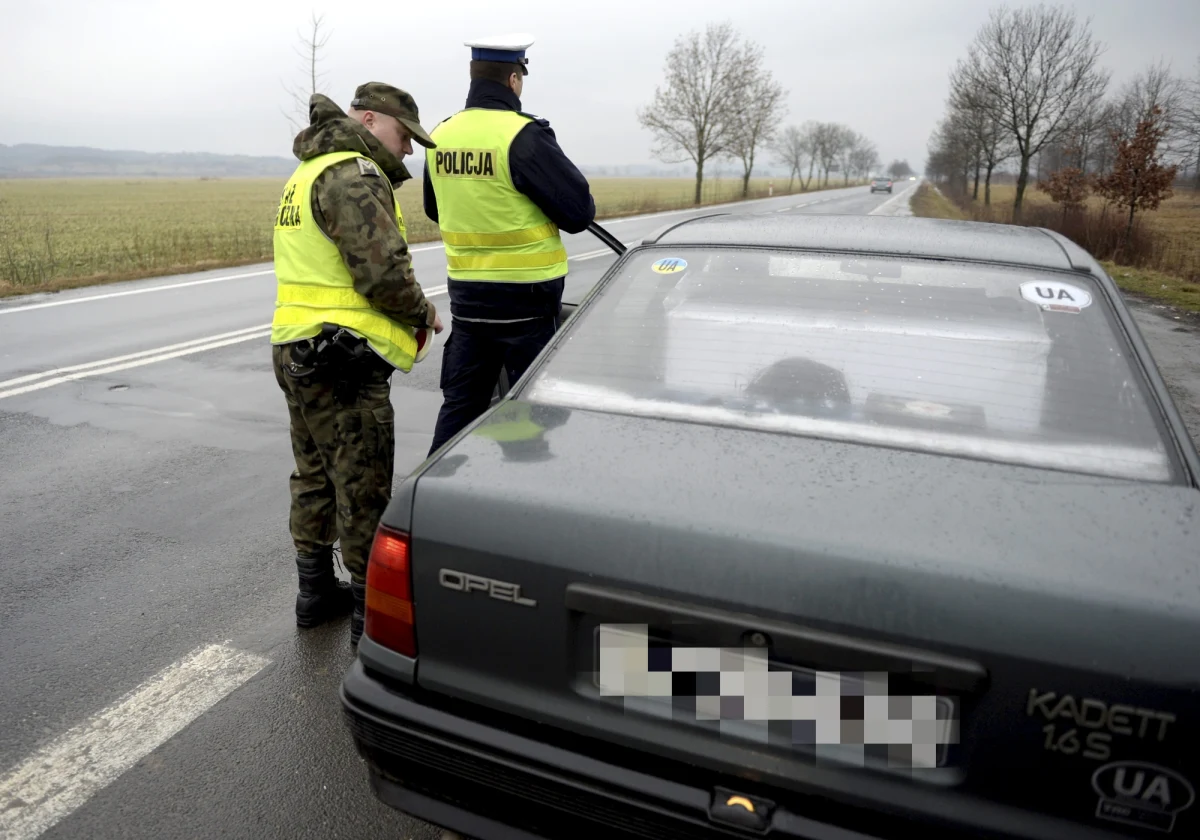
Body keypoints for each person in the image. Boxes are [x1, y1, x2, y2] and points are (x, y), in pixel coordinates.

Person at [271, 82, 444, 647]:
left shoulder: (307, 172)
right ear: (370, 120)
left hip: (298, 348)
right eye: (403, 136)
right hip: (341, 358)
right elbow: (382, 274)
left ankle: (315, 590)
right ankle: (372, 621)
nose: (409, 152)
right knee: (363, 484)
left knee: (316, 473)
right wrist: (424, 312)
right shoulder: (353, 174)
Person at [423, 33, 595, 456]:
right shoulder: (523, 135)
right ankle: (523, 491)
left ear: (473, 76)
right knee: (529, 408)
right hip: (527, 301)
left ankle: (435, 498)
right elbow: (579, 213)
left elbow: (435, 208)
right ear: (514, 80)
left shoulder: (440, 135)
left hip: (467, 299)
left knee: (461, 406)